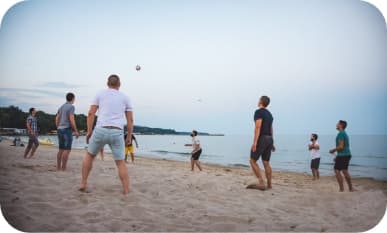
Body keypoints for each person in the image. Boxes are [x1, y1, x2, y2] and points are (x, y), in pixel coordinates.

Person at [79, 74, 134, 195]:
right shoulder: (125, 97)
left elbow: (90, 113)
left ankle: (83, 183)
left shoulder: (100, 94)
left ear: (107, 83)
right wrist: (129, 137)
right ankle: (126, 190)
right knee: (120, 162)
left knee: (89, 156)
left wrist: (89, 131)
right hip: (116, 131)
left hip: (101, 129)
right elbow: (130, 120)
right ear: (119, 84)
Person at [249, 96, 275, 190]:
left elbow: (258, 127)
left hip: (262, 138)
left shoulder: (258, 112)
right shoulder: (270, 114)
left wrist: (255, 142)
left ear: (261, 101)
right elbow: (271, 128)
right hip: (269, 138)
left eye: (258, 99)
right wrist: (272, 142)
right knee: (266, 162)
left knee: (252, 161)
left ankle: (261, 182)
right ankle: (269, 185)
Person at [55, 92, 79, 171]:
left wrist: (58, 126)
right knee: (67, 150)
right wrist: (76, 130)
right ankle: (63, 168)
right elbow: (71, 119)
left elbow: (57, 118)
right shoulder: (71, 107)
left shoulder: (61, 107)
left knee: (61, 149)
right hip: (67, 129)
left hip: (60, 129)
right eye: (74, 98)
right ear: (72, 98)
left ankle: (58, 167)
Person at [329, 120, 354, 192]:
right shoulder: (342, 133)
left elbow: (341, 146)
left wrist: (333, 150)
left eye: (337, 123)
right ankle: (348, 188)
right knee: (340, 171)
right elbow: (342, 147)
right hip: (343, 155)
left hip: (344, 155)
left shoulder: (341, 134)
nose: (336, 124)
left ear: (341, 125)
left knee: (341, 171)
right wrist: (337, 156)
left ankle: (344, 189)